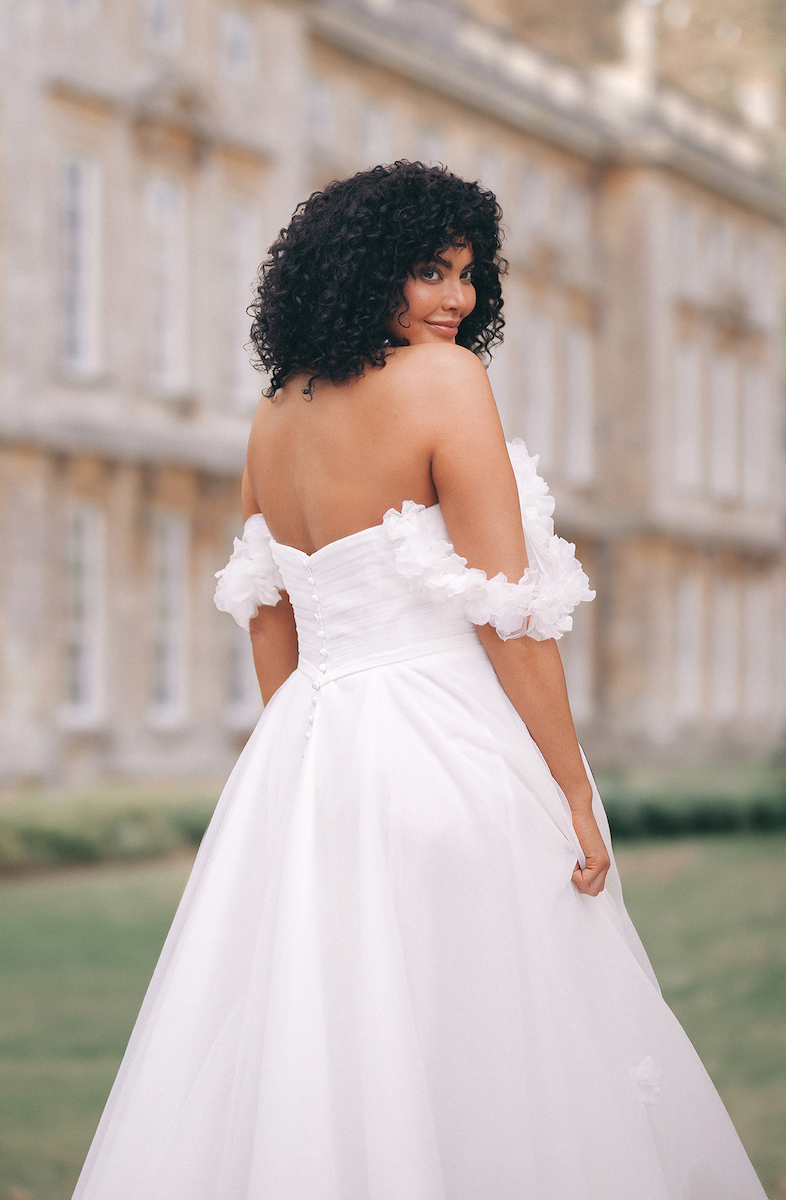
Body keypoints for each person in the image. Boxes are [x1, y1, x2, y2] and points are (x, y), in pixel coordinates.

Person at [72, 161, 766, 1199]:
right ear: (363, 272)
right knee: (488, 1042)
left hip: (305, 759)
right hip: (444, 751)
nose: (458, 300)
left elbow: (270, 618)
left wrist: (306, 760)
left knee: (323, 1039)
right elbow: (507, 612)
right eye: (432, 273)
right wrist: (571, 782)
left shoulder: (273, 416)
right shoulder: (445, 385)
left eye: (469, 274)